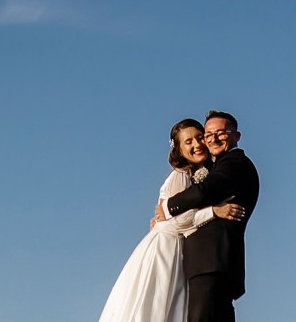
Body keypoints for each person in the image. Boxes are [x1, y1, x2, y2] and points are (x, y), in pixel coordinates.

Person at [94, 118, 250, 322]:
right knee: (159, 305)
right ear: (178, 149)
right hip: (166, 250)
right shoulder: (181, 176)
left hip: (183, 252)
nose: (197, 145)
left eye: (199, 138)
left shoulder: (201, 175)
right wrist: (213, 211)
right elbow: (176, 222)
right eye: (188, 142)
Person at [162, 111, 260, 322]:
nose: (213, 139)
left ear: (236, 136)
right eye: (209, 134)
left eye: (221, 133)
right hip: (210, 263)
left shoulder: (235, 164)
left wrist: (168, 206)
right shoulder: (212, 167)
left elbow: (204, 192)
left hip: (212, 261)